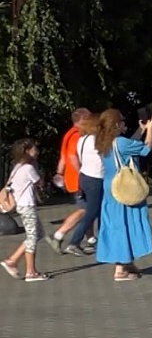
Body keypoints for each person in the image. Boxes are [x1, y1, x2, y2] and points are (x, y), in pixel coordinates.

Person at [93, 109, 152, 281]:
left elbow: (128, 145)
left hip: (110, 187)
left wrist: (141, 130)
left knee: (115, 224)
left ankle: (126, 261)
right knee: (123, 224)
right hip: (124, 187)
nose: (124, 123)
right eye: (121, 120)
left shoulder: (103, 142)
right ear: (115, 124)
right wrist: (150, 129)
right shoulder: (119, 142)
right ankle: (120, 269)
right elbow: (145, 149)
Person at [1, 139, 49, 282]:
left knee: (38, 233)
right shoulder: (29, 168)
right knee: (32, 237)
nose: (37, 151)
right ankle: (30, 272)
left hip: (23, 205)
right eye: (34, 149)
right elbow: (39, 183)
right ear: (27, 151)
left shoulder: (17, 167)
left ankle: (12, 260)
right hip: (26, 205)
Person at [47, 107, 91, 253]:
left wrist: (60, 173)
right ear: (82, 120)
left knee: (88, 207)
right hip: (78, 178)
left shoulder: (69, 134)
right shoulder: (77, 135)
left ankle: (90, 239)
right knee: (84, 209)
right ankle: (58, 235)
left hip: (72, 178)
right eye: (89, 118)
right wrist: (82, 174)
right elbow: (72, 156)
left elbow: (63, 157)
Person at [65, 116, 104, 254]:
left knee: (96, 210)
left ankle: (98, 240)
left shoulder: (83, 139)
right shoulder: (97, 141)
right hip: (95, 178)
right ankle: (74, 242)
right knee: (92, 212)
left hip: (84, 176)